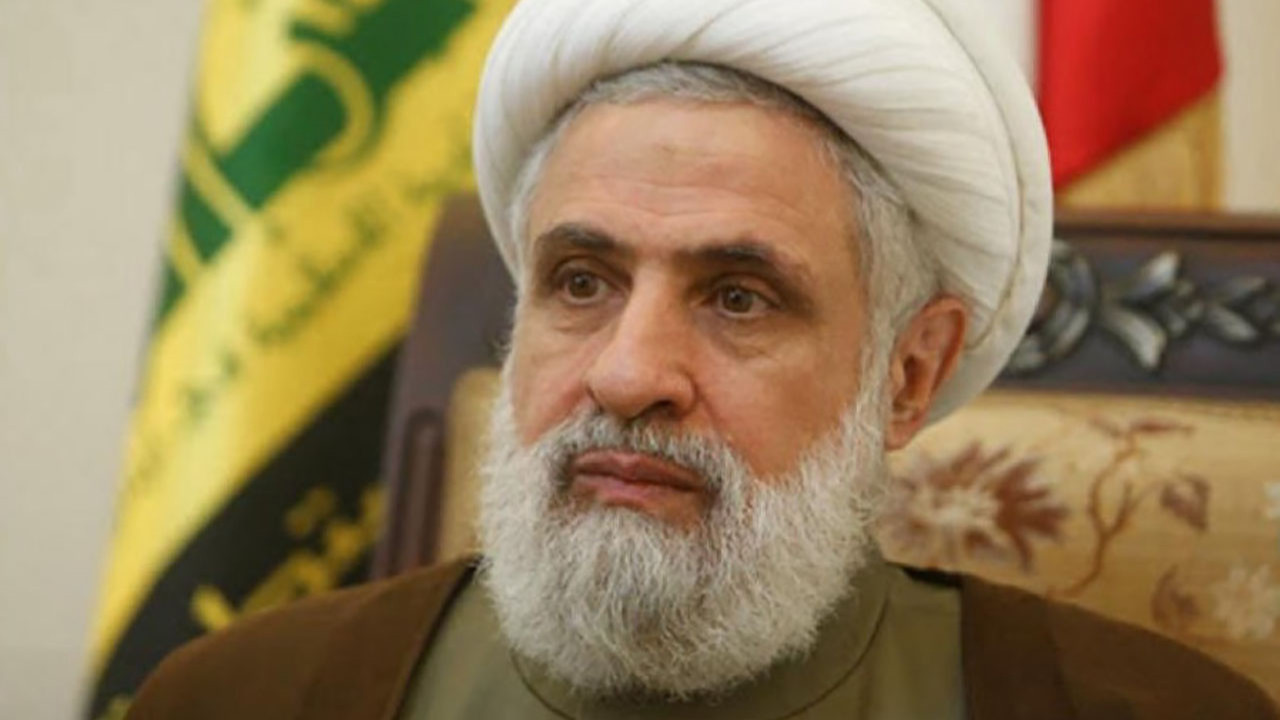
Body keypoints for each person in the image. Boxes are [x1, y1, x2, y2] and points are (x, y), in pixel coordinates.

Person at [126, 0, 1278, 717]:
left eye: (737, 297)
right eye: (581, 283)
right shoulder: (242, 699)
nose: (627, 375)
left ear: (906, 375)